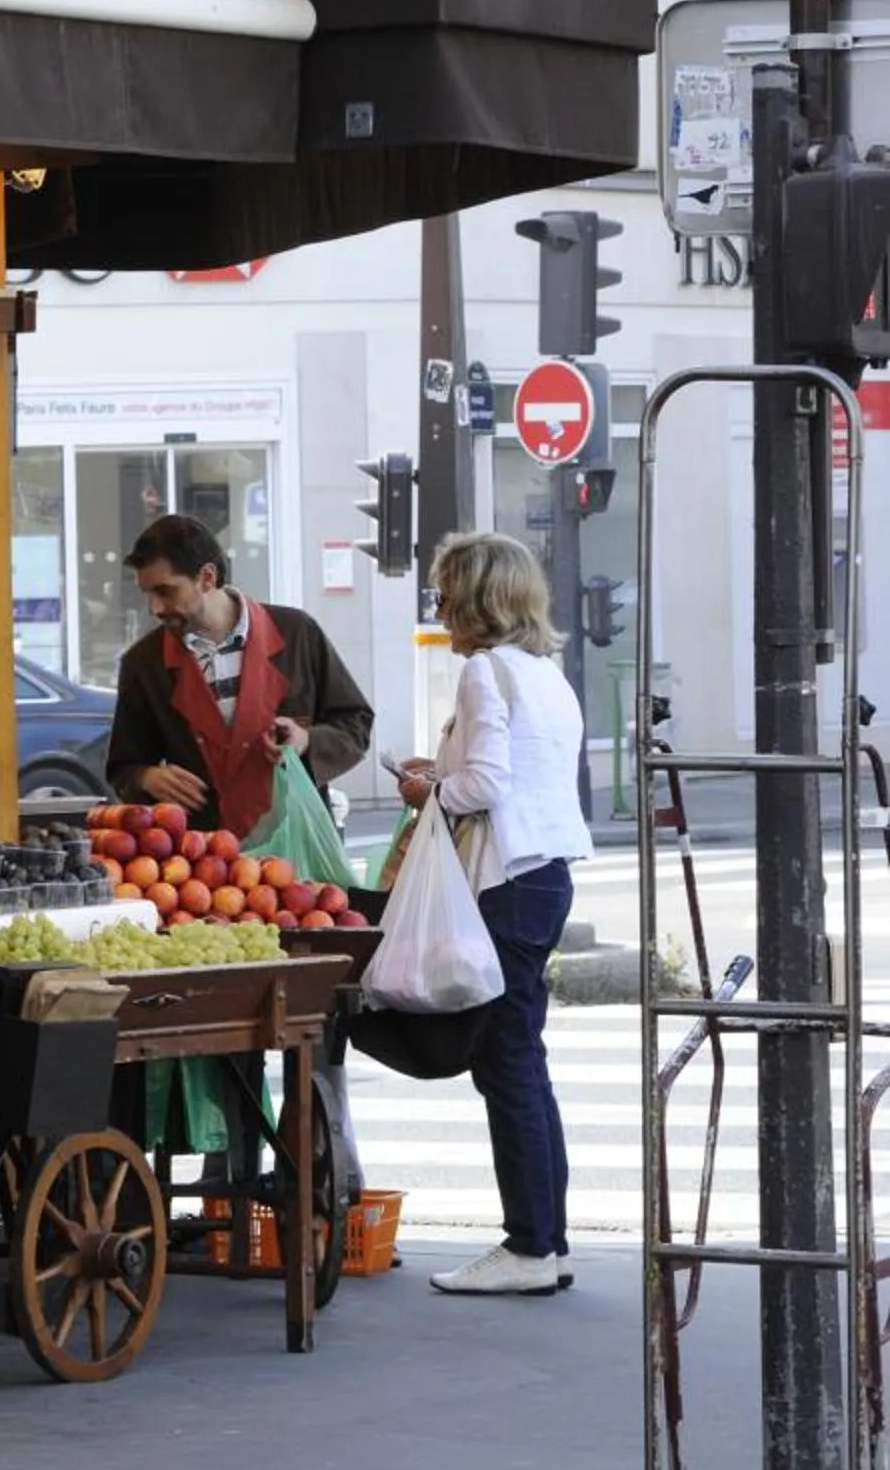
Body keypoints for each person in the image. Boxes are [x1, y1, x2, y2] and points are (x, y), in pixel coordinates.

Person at [399, 533, 593, 1296]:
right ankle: (548, 1240)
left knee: (505, 1063)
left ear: (475, 598)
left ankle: (528, 1248)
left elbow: (486, 784)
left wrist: (428, 791)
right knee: (524, 1061)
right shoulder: (544, 673)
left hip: (506, 879)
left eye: (446, 590)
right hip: (546, 875)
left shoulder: (484, 671)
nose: (439, 606)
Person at [104, 515, 372, 837]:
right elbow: (123, 766)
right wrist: (146, 778)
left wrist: (306, 741)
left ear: (206, 577)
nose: (155, 608)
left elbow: (355, 725)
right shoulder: (143, 664)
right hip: (200, 862)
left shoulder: (298, 634)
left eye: (165, 591)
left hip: (299, 848)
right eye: (147, 593)